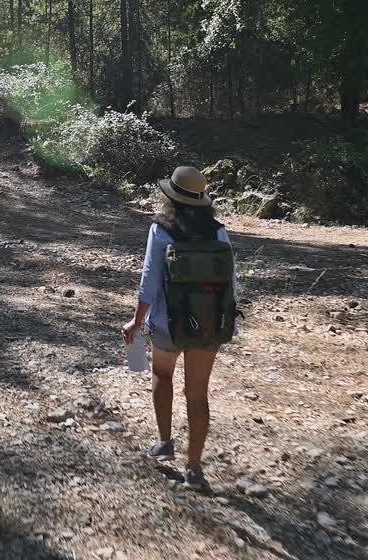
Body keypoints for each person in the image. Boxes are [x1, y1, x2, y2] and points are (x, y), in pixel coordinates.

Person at [122, 165, 238, 492]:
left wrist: (137, 320)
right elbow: (231, 282)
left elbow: (149, 283)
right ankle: (195, 469)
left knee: (162, 375)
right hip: (209, 325)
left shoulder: (161, 231)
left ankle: (164, 442)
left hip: (167, 323)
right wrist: (225, 322)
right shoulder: (218, 231)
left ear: (170, 197)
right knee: (198, 394)